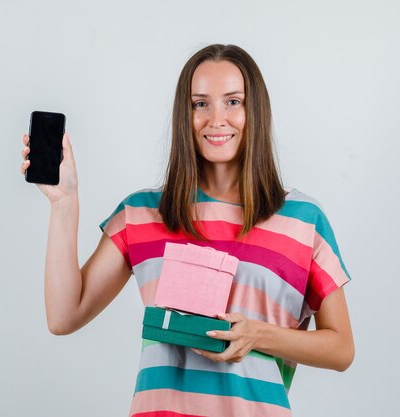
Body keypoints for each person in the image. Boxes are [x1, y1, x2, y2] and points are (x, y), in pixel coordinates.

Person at [21, 44, 354, 417]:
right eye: (200, 104)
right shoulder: (142, 212)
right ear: (185, 113)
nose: (216, 118)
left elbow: (341, 349)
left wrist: (257, 335)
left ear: (255, 110)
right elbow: (64, 316)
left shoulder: (302, 219)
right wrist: (64, 202)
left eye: (233, 101)